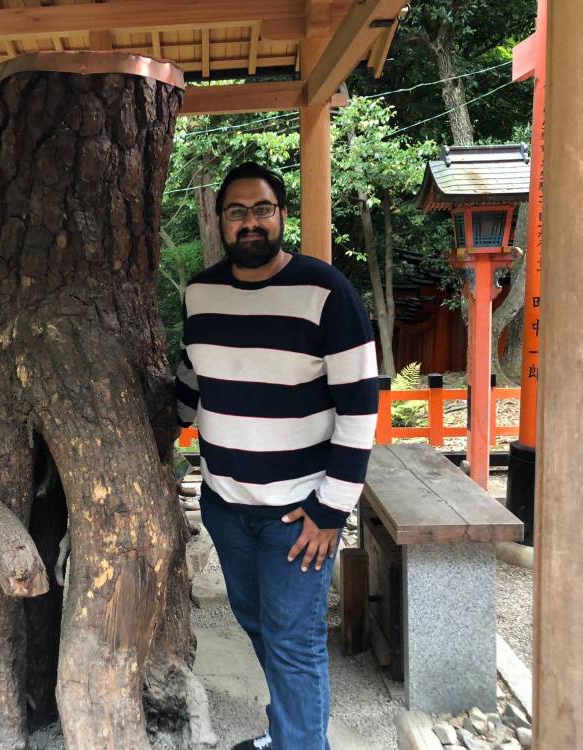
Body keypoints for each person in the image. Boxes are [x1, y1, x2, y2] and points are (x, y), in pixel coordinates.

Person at [174, 162, 378, 750]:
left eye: (262, 209)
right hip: (226, 506)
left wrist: (331, 512)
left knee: (294, 642)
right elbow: (195, 379)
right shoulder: (200, 294)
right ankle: (289, 732)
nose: (250, 222)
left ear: (281, 214)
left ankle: (298, 742)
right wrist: (158, 420)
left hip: (299, 515)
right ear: (220, 223)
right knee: (260, 626)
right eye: (236, 211)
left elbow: (360, 410)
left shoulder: (326, 293)